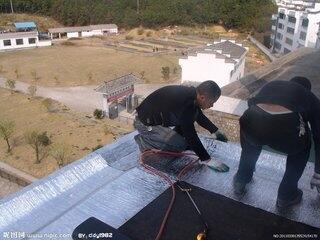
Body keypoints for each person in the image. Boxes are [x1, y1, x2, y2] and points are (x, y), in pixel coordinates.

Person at [233, 76, 320, 208]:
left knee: (252, 138)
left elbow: (252, 104)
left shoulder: (273, 84)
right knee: (303, 147)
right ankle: (286, 195)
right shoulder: (310, 97)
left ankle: (241, 178)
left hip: (251, 117)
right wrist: (318, 172)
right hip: (287, 128)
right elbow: (318, 135)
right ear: (307, 89)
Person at [133, 80, 229, 172]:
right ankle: (144, 140)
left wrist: (215, 131)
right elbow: (190, 134)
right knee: (180, 145)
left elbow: (198, 115)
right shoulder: (186, 103)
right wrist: (206, 159)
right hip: (144, 123)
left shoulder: (192, 95)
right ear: (203, 97)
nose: (212, 105)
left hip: (156, 120)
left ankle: (160, 137)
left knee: (186, 141)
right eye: (212, 102)